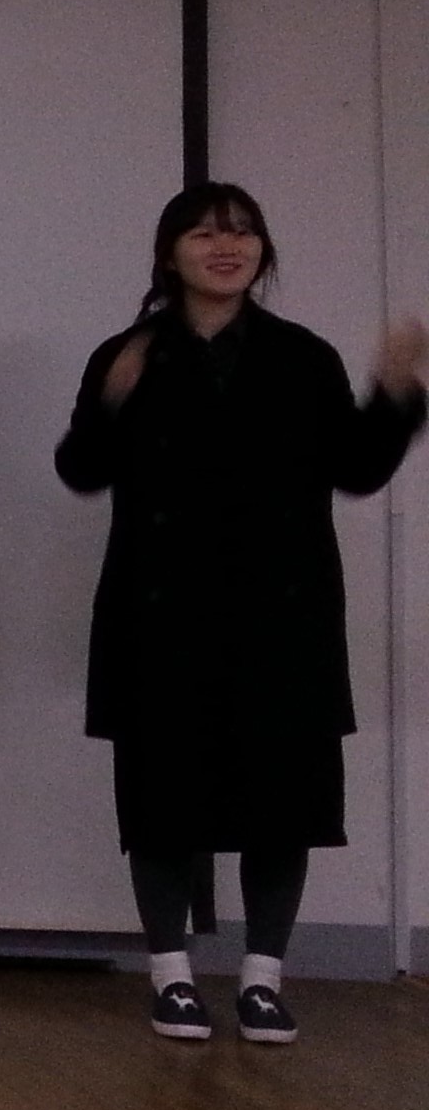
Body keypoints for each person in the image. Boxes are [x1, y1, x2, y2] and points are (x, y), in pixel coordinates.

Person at [57, 183, 423, 1045]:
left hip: (281, 617)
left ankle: (263, 979)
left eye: (244, 232)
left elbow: (358, 469)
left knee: (281, 804)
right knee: (163, 803)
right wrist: (110, 403)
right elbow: (81, 469)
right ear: (169, 252)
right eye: (205, 233)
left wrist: (395, 393)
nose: (227, 247)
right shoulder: (130, 353)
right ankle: (172, 976)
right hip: (160, 616)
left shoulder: (302, 356)